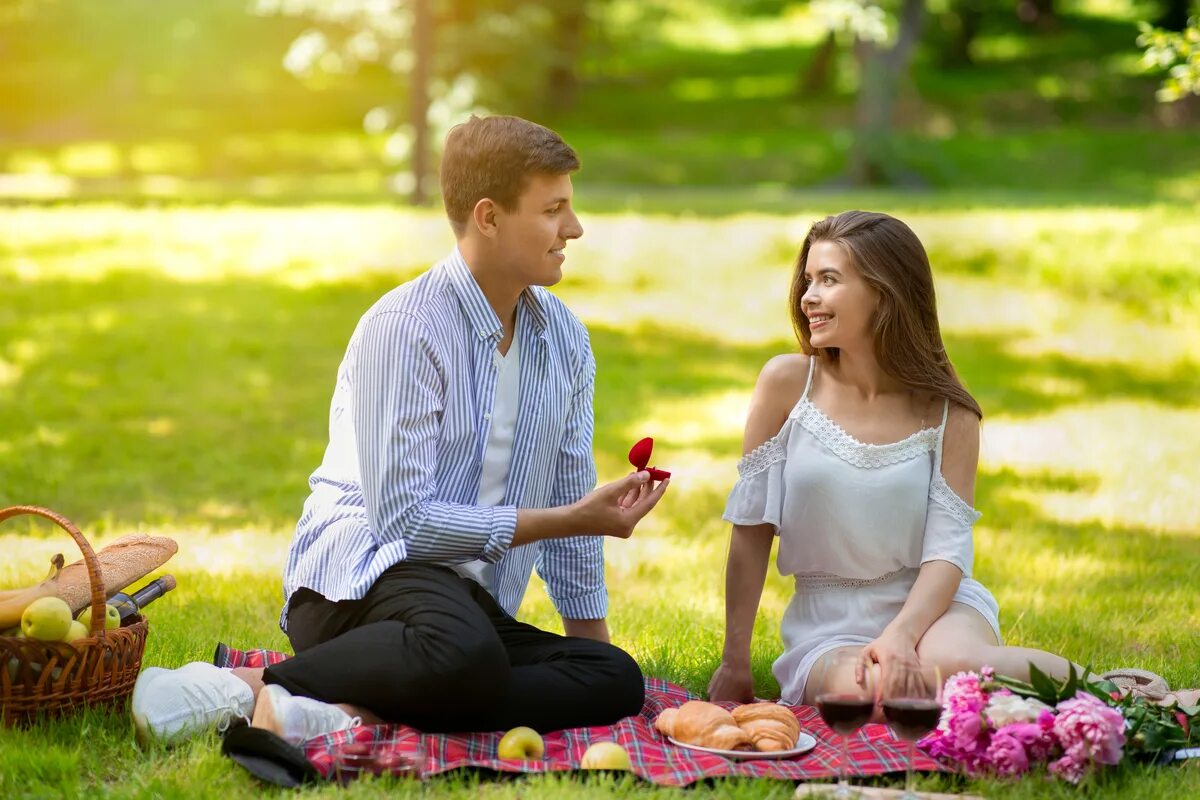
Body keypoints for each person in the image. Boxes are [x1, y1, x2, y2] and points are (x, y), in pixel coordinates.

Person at [132, 115, 669, 745]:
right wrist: (571, 519)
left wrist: (585, 657)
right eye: (553, 210)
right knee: (466, 656)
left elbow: (573, 506)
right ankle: (246, 688)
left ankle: (355, 711)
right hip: (357, 583)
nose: (573, 229)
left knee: (615, 679)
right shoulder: (405, 328)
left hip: (460, 606)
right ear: (489, 217)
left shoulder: (565, 341)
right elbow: (405, 524)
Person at [706, 210, 1076, 708]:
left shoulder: (951, 413)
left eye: (829, 280)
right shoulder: (786, 385)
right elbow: (750, 530)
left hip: (934, 610)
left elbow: (948, 552)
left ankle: (1119, 695)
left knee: (957, 669)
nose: (808, 297)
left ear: (884, 292)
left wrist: (903, 634)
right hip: (829, 624)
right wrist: (735, 662)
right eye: (808, 280)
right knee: (873, 693)